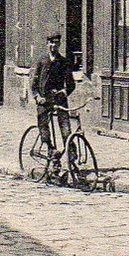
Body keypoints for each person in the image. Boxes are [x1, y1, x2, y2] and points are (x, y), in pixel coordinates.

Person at [31, 33, 77, 161]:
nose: (53, 46)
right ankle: (51, 149)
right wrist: (37, 96)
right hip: (44, 99)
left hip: (58, 99)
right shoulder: (41, 61)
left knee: (66, 128)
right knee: (43, 125)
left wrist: (64, 91)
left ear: (59, 45)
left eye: (56, 43)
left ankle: (71, 157)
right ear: (47, 44)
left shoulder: (63, 62)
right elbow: (33, 84)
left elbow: (71, 84)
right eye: (51, 43)